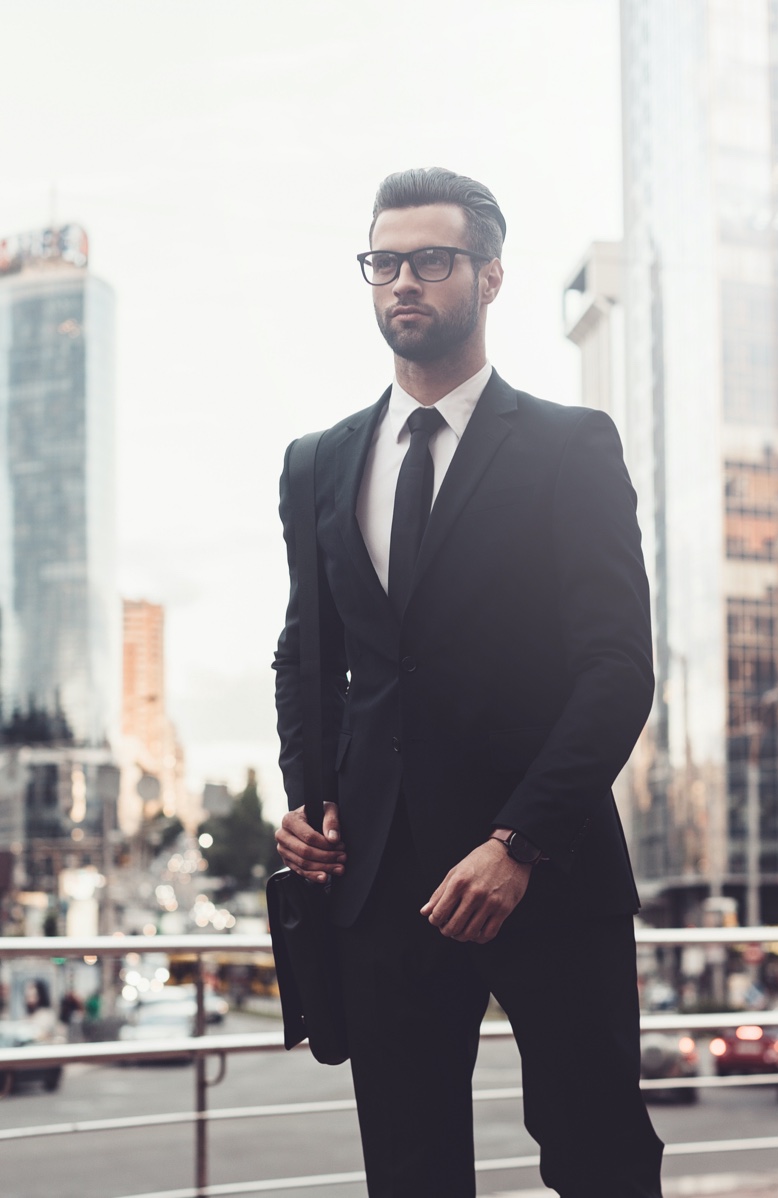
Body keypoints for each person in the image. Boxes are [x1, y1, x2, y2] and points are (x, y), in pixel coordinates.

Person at [274, 167, 664, 1198]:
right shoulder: (317, 462)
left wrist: (516, 842)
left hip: (549, 868)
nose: (404, 281)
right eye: (384, 261)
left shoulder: (570, 447)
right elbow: (306, 653)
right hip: (380, 881)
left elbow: (617, 668)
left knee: (598, 1159)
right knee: (408, 1172)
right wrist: (305, 797)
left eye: (432, 260)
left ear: (490, 276)